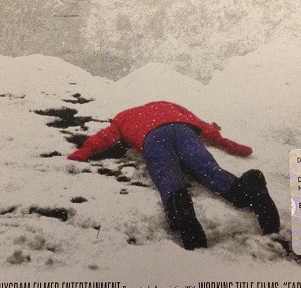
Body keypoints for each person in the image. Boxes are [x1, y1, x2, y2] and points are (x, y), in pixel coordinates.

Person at [67, 101, 280, 250]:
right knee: (207, 168)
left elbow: (104, 137)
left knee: (168, 176)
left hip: (152, 137)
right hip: (183, 130)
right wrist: (233, 146)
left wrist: (83, 151)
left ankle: (186, 220)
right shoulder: (169, 105)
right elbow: (203, 126)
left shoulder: (123, 116)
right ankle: (248, 189)